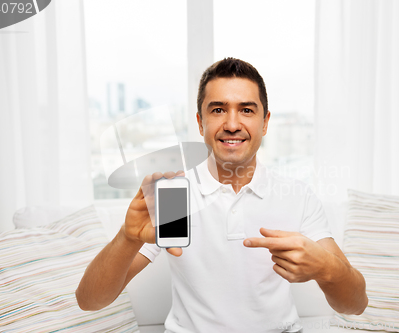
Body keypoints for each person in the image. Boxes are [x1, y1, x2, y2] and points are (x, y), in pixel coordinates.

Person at [76, 58, 368, 332]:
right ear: (200, 122)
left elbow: (355, 305)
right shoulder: (174, 196)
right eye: (218, 110)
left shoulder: (297, 196)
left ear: (265, 122)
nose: (231, 124)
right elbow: (90, 301)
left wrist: (327, 268)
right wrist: (127, 239)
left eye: (246, 110)